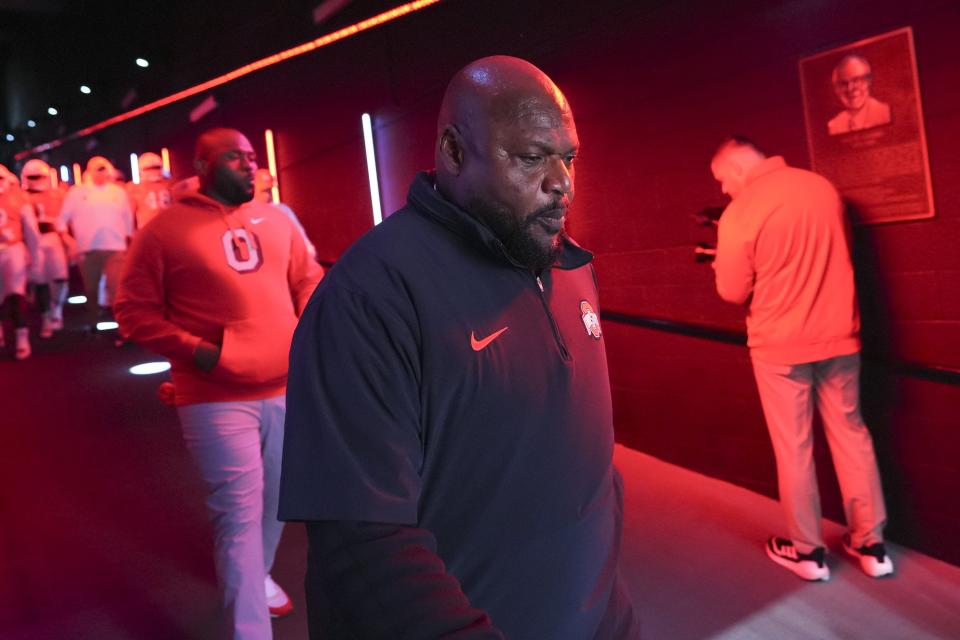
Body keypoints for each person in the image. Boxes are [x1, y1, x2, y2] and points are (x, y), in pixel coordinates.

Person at [280, 56, 638, 639]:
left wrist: (613, 614)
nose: (562, 182)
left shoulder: (568, 265)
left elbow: (591, 473)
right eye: (531, 158)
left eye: (568, 157)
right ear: (453, 151)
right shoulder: (368, 299)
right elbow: (365, 543)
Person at [115, 127, 323, 640]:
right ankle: (249, 631)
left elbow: (308, 280)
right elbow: (132, 311)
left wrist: (308, 334)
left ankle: (258, 575)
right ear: (205, 167)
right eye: (235, 158)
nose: (249, 165)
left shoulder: (278, 219)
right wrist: (202, 353)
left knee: (279, 501)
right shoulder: (163, 231)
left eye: (252, 157)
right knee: (238, 512)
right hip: (213, 397)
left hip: (284, 388)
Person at [710, 136, 893, 582]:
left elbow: (731, 291)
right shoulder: (821, 188)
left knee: (793, 448)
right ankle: (871, 545)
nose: (722, 190)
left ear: (736, 168)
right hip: (840, 336)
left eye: (721, 180)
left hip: (779, 346)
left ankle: (808, 554)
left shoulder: (741, 210)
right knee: (852, 433)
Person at [59, 156, 133, 329]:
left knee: (117, 289)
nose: (101, 173)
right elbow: (62, 220)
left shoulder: (118, 192)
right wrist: (68, 240)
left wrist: (129, 241)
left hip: (116, 248)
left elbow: (127, 219)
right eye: (97, 169)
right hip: (89, 249)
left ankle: (123, 328)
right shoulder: (77, 193)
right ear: (90, 171)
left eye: (103, 169)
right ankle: (93, 324)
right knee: (91, 290)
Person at [20, 159, 72, 337]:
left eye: (39, 176)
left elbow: (66, 219)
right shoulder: (21, 196)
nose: (36, 180)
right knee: (40, 279)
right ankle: (46, 316)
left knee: (60, 276)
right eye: (32, 177)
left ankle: (56, 307)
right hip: (33, 240)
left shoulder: (58, 194)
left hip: (53, 237)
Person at [0, 163, 41, 359]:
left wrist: (35, 256)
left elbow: (32, 231)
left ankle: (21, 337)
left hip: (13, 248)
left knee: (16, 295)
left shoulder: (19, 199)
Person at [248, 168, 317, 261]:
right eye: (264, 190)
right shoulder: (246, 212)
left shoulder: (283, 210)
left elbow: (303, 242)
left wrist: (309, 257)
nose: (267, 194)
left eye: (269, 190)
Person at [827, 54, 891, 135]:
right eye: (843, 83)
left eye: (856, 80)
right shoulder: (834, 126)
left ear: (868, 81)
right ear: (836, 89)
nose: (850, 88)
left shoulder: (885, 114)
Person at [128, 151, 174, 231]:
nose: (153, 171)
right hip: (158, 228)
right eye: (150, 168)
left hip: (156, 228)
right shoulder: (170, 184)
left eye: (156, 168)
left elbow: (130, 216)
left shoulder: (133, 188)